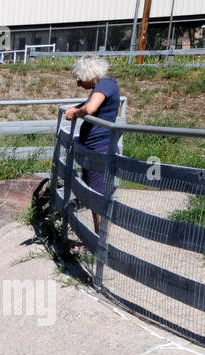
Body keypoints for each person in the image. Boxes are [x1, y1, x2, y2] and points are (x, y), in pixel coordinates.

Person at [64, 55, 121, 234]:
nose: (79, 84)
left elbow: (90, 109)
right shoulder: (102, 87)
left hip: (101, 149)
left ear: (90, 75)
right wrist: (76, 108)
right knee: (95, 196)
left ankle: (99, 244)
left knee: (98, 198)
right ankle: (98, 240)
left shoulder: (105, 84)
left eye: (80, 79)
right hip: (95, 149)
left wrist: (76, 112)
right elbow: (88, 104)